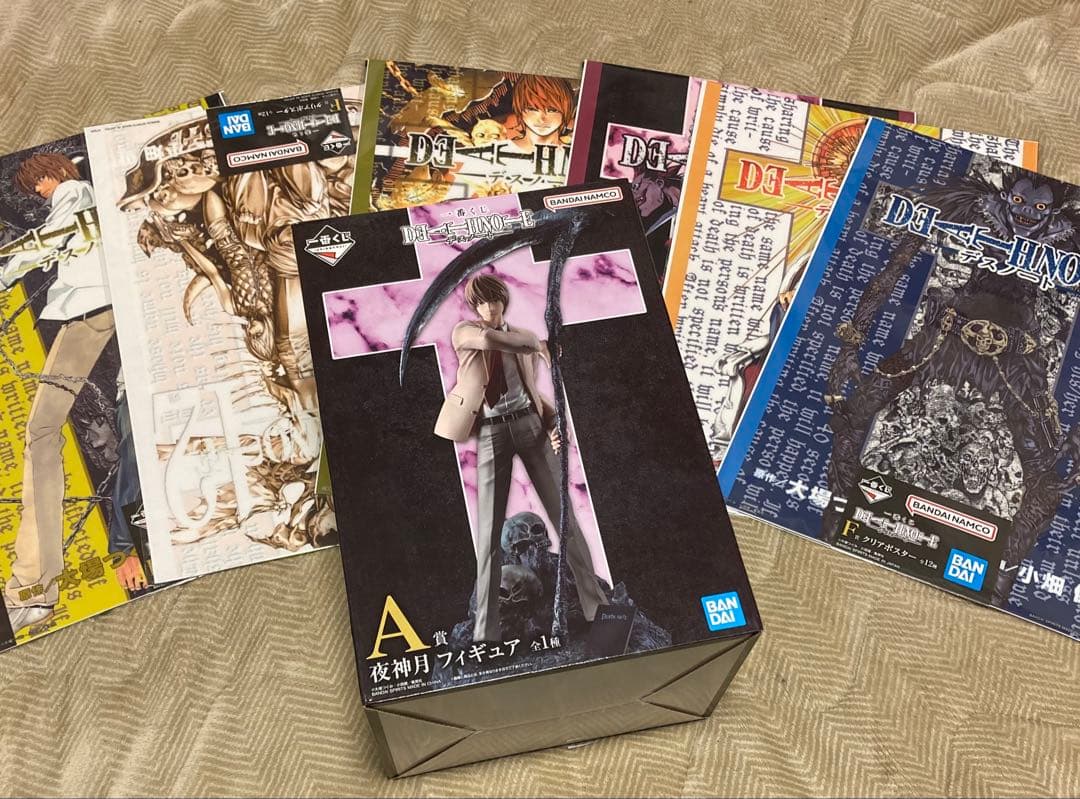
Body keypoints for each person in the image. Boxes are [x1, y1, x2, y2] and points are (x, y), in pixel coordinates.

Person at [0, 152, 134, 633]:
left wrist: (5, 274)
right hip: (108, 309)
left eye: (38, 182)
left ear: (54, 174)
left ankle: (33, 587)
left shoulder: (74, 193)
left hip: (90, 314)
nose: (39, 192)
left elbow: (49, 239)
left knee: (40, 434)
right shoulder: (91, 199)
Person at [435, 273, 606, 641]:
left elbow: (531, 392)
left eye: (493, 299)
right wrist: (536, 343)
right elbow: (488, 340)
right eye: (481, 302)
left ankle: (596, 606)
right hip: (491, 431)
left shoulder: (519, 340)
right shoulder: (466, 332)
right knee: (488, 534)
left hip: (530, 425)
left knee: (566, 519)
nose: (488, 307)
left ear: (503, 300)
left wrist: (554, 423)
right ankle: (486, 632)